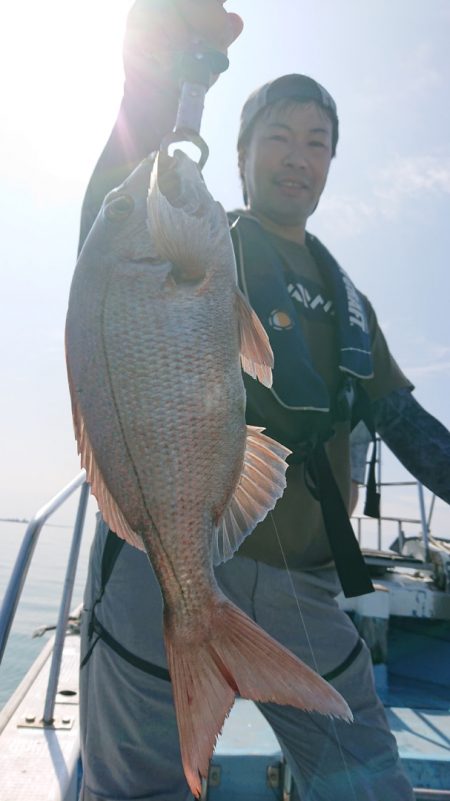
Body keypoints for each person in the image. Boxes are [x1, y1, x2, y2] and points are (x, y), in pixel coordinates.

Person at [77, 2, 450, 800]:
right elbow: (116, 195)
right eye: (278, 136)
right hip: (166, 562)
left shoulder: (348, 297)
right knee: (140, 787)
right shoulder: (199, 237)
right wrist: (155, 74)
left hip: (304, 584)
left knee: (368, 782)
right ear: (238, 153)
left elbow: (408, 427)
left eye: (317, 143)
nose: (298, 157)